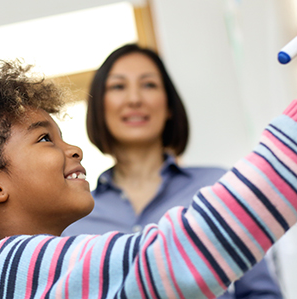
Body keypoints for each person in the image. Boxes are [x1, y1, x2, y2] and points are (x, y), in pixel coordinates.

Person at [0, 2, 297, 298]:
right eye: (45, 138)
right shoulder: (8, 271)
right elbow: (180, 256)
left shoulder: (29, 271)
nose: (75, 152)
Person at [61, 42, 280, 299]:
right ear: (99, 107)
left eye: (149, 85)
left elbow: (261, 293)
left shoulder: (218, 187)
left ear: (169, 106)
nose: (134, 99)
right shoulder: (75, 218)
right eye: (118, 86)